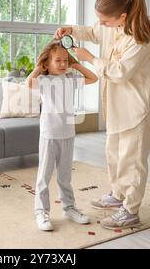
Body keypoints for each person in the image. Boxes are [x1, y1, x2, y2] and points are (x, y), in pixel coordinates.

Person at [55, 0, 150, 229]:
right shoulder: (111, 26)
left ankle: (131, 210)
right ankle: (117, 195)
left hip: (138, 107)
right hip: (116, 105)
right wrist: (71, 29)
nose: (101, 24)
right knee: (113, 153)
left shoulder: (141, 37)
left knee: (132, 160)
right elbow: (93, 32)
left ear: (122, 17)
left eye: (105, 20)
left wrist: (89, 58)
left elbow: (120, 72)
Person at [26, 39, 98, 231]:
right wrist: (39, 66)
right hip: (49, 134)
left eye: (66, 60)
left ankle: (69, 207)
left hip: (68, 134)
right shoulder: (43, 81)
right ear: (47, 63)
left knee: (65, 176)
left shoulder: (71, 79)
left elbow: (94, 78)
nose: (63, 64)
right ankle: (41, 211)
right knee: (44, 176)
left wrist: (76, 64)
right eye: (58, 60)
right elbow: (28, 83)